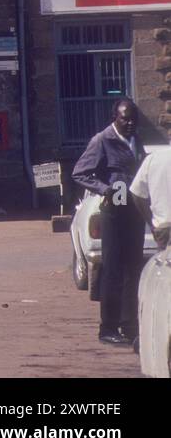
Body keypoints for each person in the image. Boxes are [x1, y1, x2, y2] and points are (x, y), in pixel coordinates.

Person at [72, 98, 147, 346]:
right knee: (113, 270)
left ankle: (129, 325)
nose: (129, 123)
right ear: (114, 117)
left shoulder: (136, 140)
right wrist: (105, 189)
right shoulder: (102, 140)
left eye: (133, 118)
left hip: (134, 209)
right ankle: (108, 327)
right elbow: (80, 172)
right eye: (125, 118)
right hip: (114, 210)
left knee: (133, 269)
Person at [131, 141, 171, 251]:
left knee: (165, 266)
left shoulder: (154, 158)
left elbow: (136, 193)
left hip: (164, 228)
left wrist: (151, 223)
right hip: (164, 230)